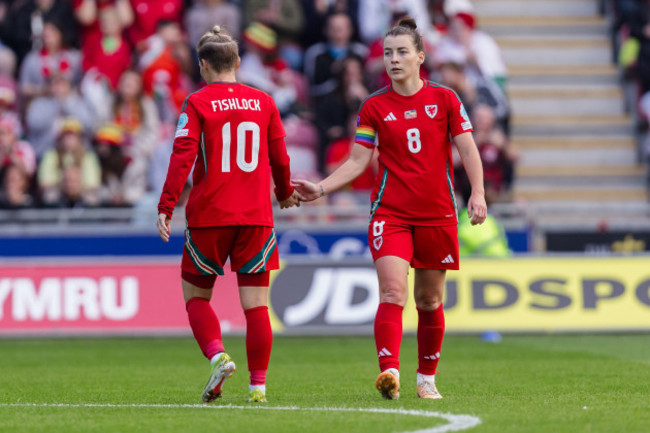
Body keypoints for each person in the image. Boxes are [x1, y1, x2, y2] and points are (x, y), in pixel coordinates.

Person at [293, 16, 486, 401]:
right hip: (391, 214)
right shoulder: (374, 107)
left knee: (429, 300)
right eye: (387, 53)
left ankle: (426, 378)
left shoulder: (445, 99)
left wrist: (478, 193)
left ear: (419, 56)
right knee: (392, 293)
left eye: (401, 52)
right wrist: (321, 187)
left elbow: (467, 148)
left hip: (439, 212)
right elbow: (357, 160)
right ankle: (390, 373)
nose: (393, 60)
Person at [156, 25, 300, 404]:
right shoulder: (265, 101)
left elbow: (182, 156)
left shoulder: (197, 103)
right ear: (237, 62)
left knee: (196, 298)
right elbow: (281, 158)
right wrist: (284, 194)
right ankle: (258, 388)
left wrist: (166, 205)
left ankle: (218, 355)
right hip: (255, 217)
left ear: (203, 65)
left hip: (210, 216)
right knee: (256, 307)